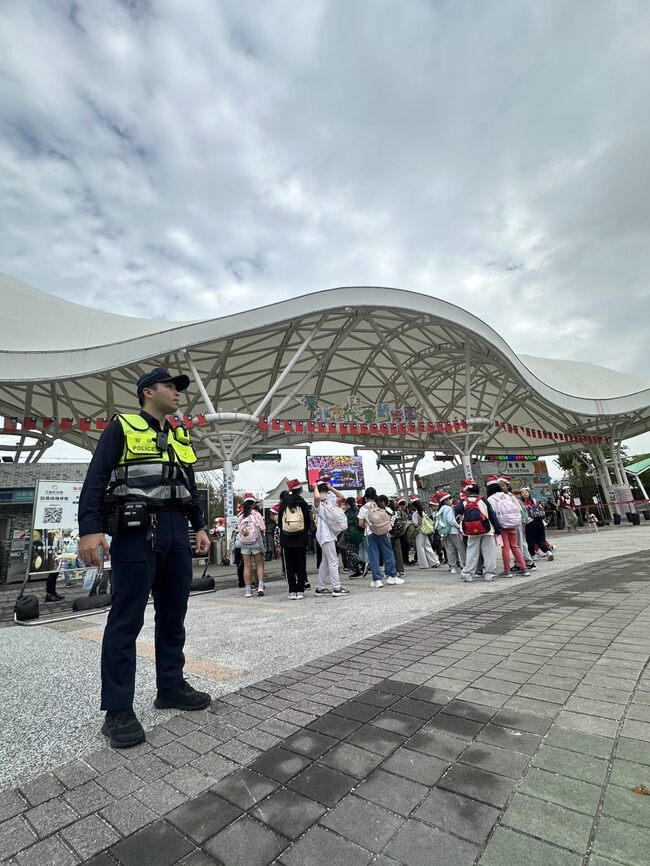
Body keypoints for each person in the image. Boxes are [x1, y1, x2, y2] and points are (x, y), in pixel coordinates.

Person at [77, 367, 211, 749]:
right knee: (126, 619)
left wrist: (199, 526)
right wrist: (90, 529)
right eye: (171, 386)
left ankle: (170, 686)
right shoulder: (123, 426)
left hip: (175, 532)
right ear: (148, 392)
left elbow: (187, 484)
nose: (178, 392)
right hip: (136, 533)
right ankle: (118, 709)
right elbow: (96, 478)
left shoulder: (179, 434)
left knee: (173, 615)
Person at [358, 487, 403, 587]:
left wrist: (369, 524)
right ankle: (392, 576)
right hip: (383, 532)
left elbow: (360, 524)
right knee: (388, 553)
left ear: (366, 496)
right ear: (375, 495)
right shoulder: (379, 505)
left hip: (370, 534)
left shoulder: (363, 508)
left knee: (374, 557)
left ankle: (377, 580)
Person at [486, 475, 530, 577]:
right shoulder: (507, 496)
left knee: (505, 547)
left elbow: (492, 514)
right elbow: (518, 508)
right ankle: (524, 568)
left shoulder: (491, 499)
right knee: (515, 546)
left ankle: (507, 570)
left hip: (502, 525)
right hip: (513, 524)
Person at [313, 479, 350, 597]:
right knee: (333, 561)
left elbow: (341, 496)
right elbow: (317, 498)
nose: (324, 493)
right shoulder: (316, 504)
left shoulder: (329, 501)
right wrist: (315, 487)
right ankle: (337, 587)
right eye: (322, 491)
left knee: (325, 562)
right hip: (325, 535)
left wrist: (330, 488)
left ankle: (321, 586)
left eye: (325, 491)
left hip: (327, 535)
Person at [457, 482, 500, 582]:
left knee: (472, 552)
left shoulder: (464, 501)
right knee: (489, 552)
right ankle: (489, 574)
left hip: (471, 531)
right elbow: (492, 515)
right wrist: (498, 529)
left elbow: (457, 510)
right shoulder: (483, 500)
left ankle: (468, 574)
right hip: (486, 530)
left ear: (467, 492)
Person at [278, 479, 311, 599]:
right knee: (301, 564)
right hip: (301, 538)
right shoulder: (302, 502)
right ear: (300, 490)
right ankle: (300, 590)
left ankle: (292, 590)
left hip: (287, 539)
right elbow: (308, 521)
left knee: (290, 565)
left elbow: (279, 523)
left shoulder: (283, 503)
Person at [237, 493, 266, 598]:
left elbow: (238, 530)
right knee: (259, 564)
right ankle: (260, 587)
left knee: (247, 566)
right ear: (253, 504)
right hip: (256, 542)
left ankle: (248, 590)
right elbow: (262, 528)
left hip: (244, 543)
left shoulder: (240, 516)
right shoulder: (256, 515)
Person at [434, 490, 466, 574]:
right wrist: (459, 527)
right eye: (449, 499)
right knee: (461, 548)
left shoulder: (440, 509)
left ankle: (453, 567)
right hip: (453, 531)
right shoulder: (448, 508)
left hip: (445, 532)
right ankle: (465, 565)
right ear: (445, 501)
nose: (451, 501)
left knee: (450, 549)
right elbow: (451, 520)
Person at [521, 487, 555, 559]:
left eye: (526, 492)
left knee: (530, 540)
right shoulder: (533, 501)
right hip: (539, 521)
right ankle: (548, 552)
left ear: (529, 493)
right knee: (540, 540)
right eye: (523, 492)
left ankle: (532, 555)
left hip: (531, 523)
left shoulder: (526, 502)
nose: (524, 493)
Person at [409, 497, 440, 569]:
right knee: (428, 547)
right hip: (425, 531)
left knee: (420, 548)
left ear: (413, 506)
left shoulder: (415, 514)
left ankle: (424, 564)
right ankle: (435, 562)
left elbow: (416, 524)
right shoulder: (423, 512)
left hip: (419, 532)